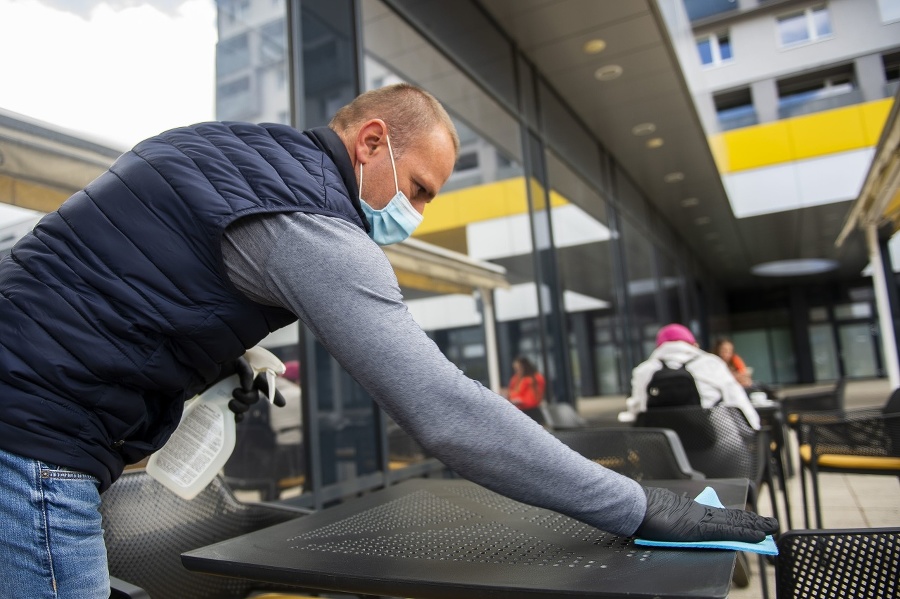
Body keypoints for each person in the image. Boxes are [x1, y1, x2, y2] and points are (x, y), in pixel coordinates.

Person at [0, 84, 776, 598]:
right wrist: (641, 505)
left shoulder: (210, 146)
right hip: (33, 444)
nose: (416, 218)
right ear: (372, 141)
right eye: (419, 191)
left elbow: (112, 272)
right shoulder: (314, 226)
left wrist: (230, 349)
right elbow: (446, 413)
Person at [626, 324, 761, 429]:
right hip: (718, 451)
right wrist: (755, 429)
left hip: (663, 454)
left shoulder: (643, 370)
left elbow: (637, 410)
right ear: (693, 344)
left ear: (659, 347)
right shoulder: (711, 363)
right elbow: (738, 401)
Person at [505, 355, 546, 421]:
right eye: (515, 369)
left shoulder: (535, 378)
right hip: (520, 411)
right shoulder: (516, 378)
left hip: (531, 412)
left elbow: (534, 399)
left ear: (524, 367)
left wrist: (520, 400)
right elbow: (512, 392)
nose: (517, 371)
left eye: (518, 368)